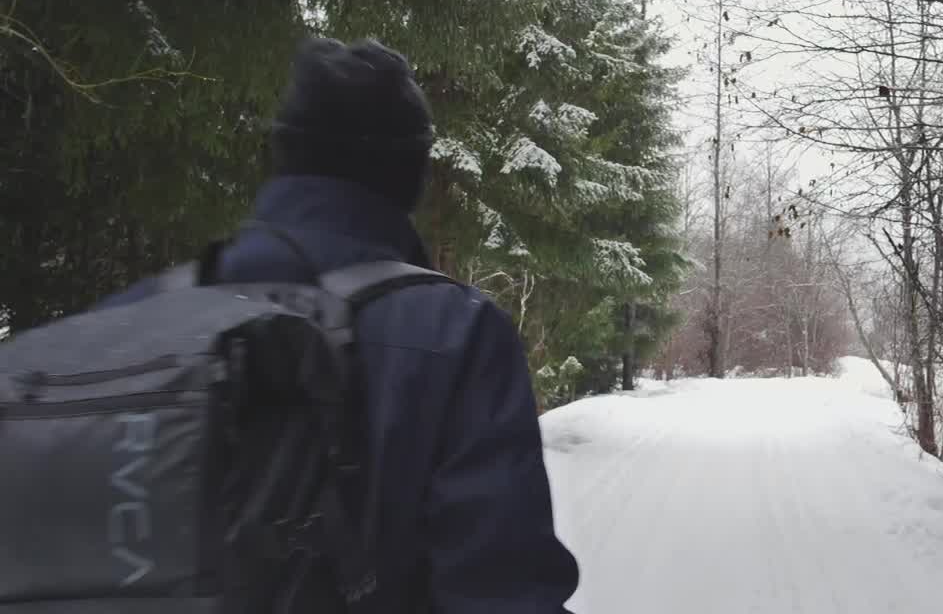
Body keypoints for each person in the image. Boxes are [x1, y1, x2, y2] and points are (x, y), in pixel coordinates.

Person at [95, 36, 581, 613]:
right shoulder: (456, 335)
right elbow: (502, 590)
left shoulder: (123, 323)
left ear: (284, 156)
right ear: (412, 175)